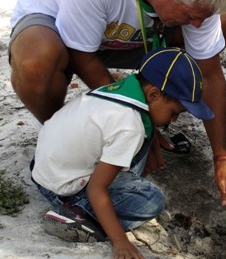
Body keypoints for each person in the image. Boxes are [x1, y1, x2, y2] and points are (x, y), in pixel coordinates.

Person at [8, 0, 226, 211]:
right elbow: (83, 54)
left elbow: (211, 75)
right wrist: (138, 119)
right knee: (36, 62)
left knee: (223, 24)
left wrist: (222, 157)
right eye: (191, 16)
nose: (195, 25)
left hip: (128, 37)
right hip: (62, 32)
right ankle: (66, 142)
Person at [32, 47, 216, 258]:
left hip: (44, 167)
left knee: (147, 134)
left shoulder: (120, 89)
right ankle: (80, 213)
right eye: (174, 113)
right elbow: (96, 189)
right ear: (154, 94)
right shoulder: (130, 126)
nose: (173, 121)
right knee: (152, 200)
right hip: (64, 186)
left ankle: (90, 203)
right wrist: (120, 241)